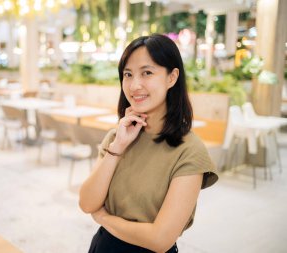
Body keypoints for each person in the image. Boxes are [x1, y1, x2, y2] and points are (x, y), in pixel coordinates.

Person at [79, 34, 218, 253]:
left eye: (147, 73)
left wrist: (104, 218)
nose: (135, 85)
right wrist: (118, 147)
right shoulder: (118, 136)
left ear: (171, 78)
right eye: (128, 74)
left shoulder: (190, 151)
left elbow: (160, 240)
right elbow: (87, 203)